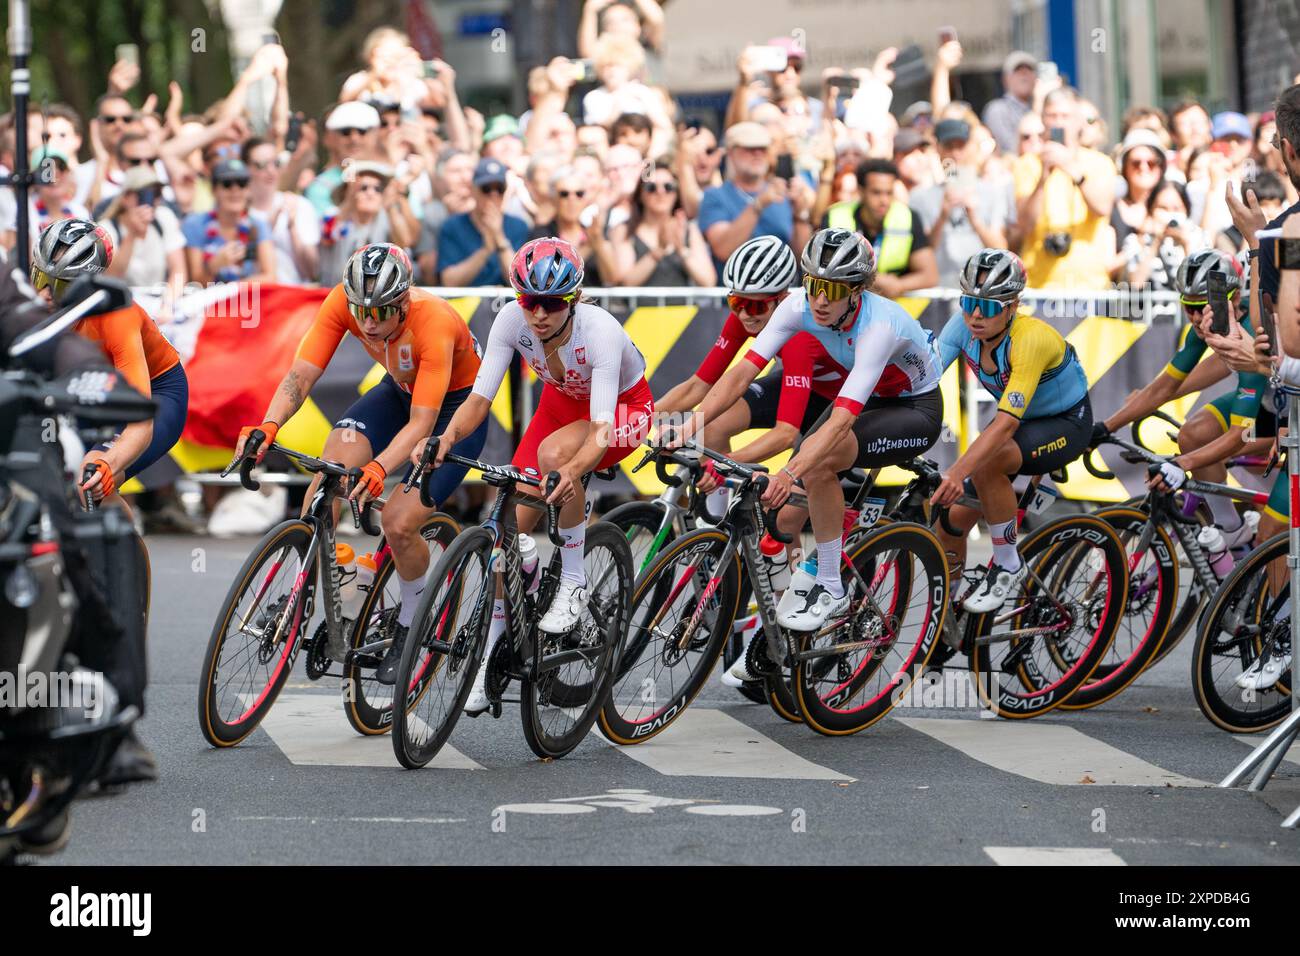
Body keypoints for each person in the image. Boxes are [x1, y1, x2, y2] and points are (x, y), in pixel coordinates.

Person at [413, 237, 654, 712]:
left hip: (624, 412)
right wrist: (445, 439)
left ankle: (574, 582)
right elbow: (478, 400)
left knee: (554, 456)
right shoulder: (509, 320)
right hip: (559, 407)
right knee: (506, 530)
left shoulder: (600, 331)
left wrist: (570, 472)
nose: (538, 314)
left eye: (551, 304)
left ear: (575, 299)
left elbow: (602, 431)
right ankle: (492, 654)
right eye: (529, 301)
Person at [234, 244, 488, 682]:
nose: (368, 322)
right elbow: (301, 374)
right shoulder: (345, 301)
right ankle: (307, 588)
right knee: (328, 476)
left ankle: (413, 619)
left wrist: (378, 469)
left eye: (381, 311)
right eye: (361, 310)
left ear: (404, 301)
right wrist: (269, 426)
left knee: (399, 521)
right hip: (400, 390)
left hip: (453, 412)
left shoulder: (435, 323)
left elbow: (422, 424)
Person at [679, 229, 944, 633]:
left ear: (856, 292)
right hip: (863, 399)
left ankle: (832, 587)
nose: (820, 299)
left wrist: (788, 473)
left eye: (833, 290)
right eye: (814, 284)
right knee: (803, 476)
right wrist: (692, 426)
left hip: (911, 407)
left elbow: (840, 422)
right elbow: (742, 374)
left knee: (818, 464)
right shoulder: (797, 307)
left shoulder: (879, 325)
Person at [30, 217, 191, 783]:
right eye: (39, 276)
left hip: (151, 396)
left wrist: (108, 462)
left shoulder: (114, 313)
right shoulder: (28, 304)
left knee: (94, 487)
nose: (45, 294)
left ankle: (124, 590)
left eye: (60, 286)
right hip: (78, 388)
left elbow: (138, 419)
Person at [931, 249, 1091, 611]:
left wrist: (958, 471)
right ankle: (950, 608)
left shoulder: (1029, 339)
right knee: (950, 521)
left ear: (1012, 306)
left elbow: (1005, 424)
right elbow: (922, 381)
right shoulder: (961, 327)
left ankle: (1007, 564)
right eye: (969, 302)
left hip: (1065, 422)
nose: (974, 315)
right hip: (1020, 423)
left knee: (987, 463)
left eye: (987, 307)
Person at [655, 236, 845, 531]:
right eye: (736, 301)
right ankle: (712, 531)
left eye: (754, 306)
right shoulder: (745, 317)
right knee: (712, 424)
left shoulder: (798, 335)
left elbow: (785, 435)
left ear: (781, 299)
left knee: (782, 517)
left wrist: (722, 464)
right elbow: (698, 386)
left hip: (840, 404)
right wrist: (638, 417)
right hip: (803, 385)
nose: (743, 313)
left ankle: (784, 570)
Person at [1094, 250, 1261, 550]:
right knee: (1192, 433)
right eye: (1189, 308)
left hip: (1283, 415)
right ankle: (1231, 530)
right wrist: (1105, 427)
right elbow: (1165, 388)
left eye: (1202, 307)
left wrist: (1181, 464)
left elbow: (1239, 436)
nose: (1197, 318)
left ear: (1234, 299)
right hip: (1264, 406)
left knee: (1253, 452)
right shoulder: (1210, 323)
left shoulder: (1249, 331)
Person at [1012, 87, 1117, 290]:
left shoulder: (1099, 163)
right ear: (1043, 120)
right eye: (1052, 115)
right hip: (1039, 285)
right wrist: (1042, 178)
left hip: (1090, 284)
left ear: (1078, 120)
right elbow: (1025, 225)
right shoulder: (1028, 164)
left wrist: (1073, 169)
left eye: (1065, 116)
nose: (1059, 122)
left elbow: (1102, 208)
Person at [699, 121, 812, 273]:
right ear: (731, 153)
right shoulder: (715, 196)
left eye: (763, 149)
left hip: (783, 294)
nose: (758, 154)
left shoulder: (784, 193)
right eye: (750, 149)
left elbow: (803, 260)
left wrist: (800, 215)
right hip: (736, 294)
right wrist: (759, 204)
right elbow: (723, 250)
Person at [911, 119, 1013, 288]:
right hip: (938, 290)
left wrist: (974, 218)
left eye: (961, 146)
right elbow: (922, 254)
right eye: (949, 146)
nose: (956, 154)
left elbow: (1001, 249)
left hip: (980, 289)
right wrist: (943, 215)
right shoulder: (920, 196)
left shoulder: (993, 192)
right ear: (938, 148)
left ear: (972, 147)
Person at [822, 159, 938, 298]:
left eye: (889, 193)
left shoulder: (908, 217)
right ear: (861, 191)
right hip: (844, 304)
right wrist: (877, 281)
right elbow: (821, 270)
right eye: (876, 192)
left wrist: (900, 285)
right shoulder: (835, 216)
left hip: (892, 308)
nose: (884, 200)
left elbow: (930, 275)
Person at [610, 160, 714, 287]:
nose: (660, 192)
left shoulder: (688, 228)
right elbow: (625, 283)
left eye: (668, 187)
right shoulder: (624, 229)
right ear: (640, 194)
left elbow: (708, 281)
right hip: (636, 307)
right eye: (651, 188)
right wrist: (658, 251)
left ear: (676, 193)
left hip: (683, 307)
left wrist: (682, 250)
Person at [317, 161, 419, 282]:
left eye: (378, 189)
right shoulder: (334, 214)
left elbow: (405, 242)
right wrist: (349, 200)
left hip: (377, 297)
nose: (371, 193)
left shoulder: (386, 217)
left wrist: (391, 207)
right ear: (348, 191)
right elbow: (327, 237)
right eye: (363, 188)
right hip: (336, 293)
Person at [98, 165, 186, 303]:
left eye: (156, 194)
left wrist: (168, 303)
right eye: (144, 194)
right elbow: (111, 277)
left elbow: (178, 270)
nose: (150, 202)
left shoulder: (165, 217)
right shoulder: (106, 229)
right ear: (125, 197)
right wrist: (132, 235)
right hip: (123, 304)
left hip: (160, 300)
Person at [437, 157, 530, 286]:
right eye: (486, 189)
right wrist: (485, 250)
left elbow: (522, 283)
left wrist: (499, 238)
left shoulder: (519, 226)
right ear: (473, 190)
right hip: (466, 304)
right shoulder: (452, 226)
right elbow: (449, 281)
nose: (493, 195)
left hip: (508, 303)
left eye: (499, 189)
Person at [182, 159, 275, 283]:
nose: (235, 190)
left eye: (242, 183)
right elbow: (196, 282)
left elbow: (270, 276)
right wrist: (214, 266)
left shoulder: (258, 225)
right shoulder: (195, 224)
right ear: (214, 190)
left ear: (248, 190)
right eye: (227, 184)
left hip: (247, 299)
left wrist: (232, 289)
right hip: (208, 300)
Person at [243, 138, 320, 285]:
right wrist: (266, 229)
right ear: (246, 168)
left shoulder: (301, 206)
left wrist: (292, 229)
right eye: (261, 165)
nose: (271, 171)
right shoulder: (236, 213)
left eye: (276, 163)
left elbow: (312, 272)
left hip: (294, 299)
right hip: (254, 300)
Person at [531, 164, 621, 286]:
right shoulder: (541, 235)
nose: (572, 200)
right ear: (553, 198)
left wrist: (598, 243)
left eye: (579, 193)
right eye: (564, 194)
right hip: (556, 304)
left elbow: (613, 279)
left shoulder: (594, 231)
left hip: (592, 304)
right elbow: (550, 276)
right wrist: (589, 245)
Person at [303, 101, 382, 216]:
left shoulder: (390, 176)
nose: (354, 139)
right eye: (346, 132)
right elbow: (327, 230)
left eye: (362, 131)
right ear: (332, 137)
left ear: (375, 135)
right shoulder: (320, 187)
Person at [982, 51, 1038, 155]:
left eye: (1029, 70)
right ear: (1005, 79)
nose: (1024, 74)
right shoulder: (997, 110)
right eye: (1018, 70)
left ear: (1036, 78)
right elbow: (1012, 149)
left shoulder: (1043, 108)